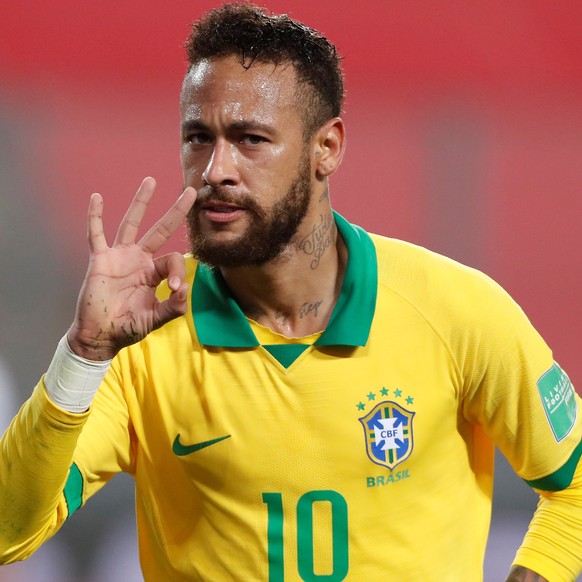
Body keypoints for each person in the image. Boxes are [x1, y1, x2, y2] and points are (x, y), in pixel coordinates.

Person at [0, 3, 581, 580]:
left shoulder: (457, 312)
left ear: (326, 148)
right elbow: (9, 534)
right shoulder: (144, 339)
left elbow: (573, 489)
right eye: (198, 138)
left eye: (250, 139)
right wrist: (84, 354)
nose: (214, 170)